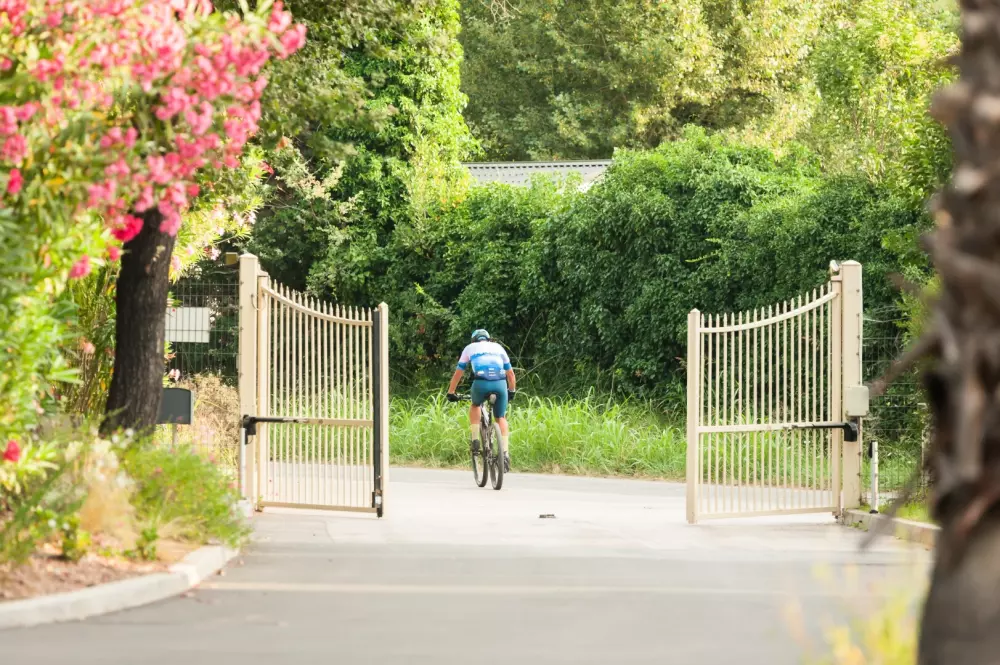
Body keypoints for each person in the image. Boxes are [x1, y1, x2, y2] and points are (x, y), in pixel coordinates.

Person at [447, 329, 516, 471]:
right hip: (500, 383)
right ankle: (505, 454)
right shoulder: (498, 347)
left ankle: (475, 440)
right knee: (501, 417)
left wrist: (451, 392)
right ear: (488, 339)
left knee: (475, 405)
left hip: (481, 382)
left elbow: (459, 372)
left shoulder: (469, 348)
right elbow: (510, 374)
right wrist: (511, 391)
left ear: (474, 340)